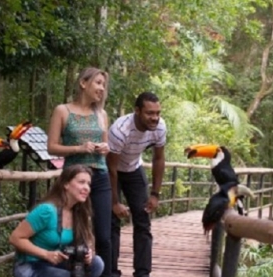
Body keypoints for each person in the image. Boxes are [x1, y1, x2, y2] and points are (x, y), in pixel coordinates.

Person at [47, 67, 113, 277]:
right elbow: (52, 147)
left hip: (100, 177)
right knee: (71, 234)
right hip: (73, 179)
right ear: (83, 83)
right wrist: (78, 148)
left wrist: (105, 148)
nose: (102, 89)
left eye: (104, 85)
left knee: (103, 236)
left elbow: (106, 144)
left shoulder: (101, 114)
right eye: (98, 83)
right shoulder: (62, 111)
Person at [107, 92, 166, 277]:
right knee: (111, 222)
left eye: (157, 113)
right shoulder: (120, 130)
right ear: (137, 111)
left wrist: (155, 194)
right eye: (150, 113)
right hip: (112, 171)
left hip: (134, 169)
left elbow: (159, 159)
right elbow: (111, 168)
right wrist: (114, 202)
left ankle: (142, 272)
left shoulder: (160, 127)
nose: (154, 118)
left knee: (143, 221)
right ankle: (111, 272)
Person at [10, 164, 104, 277]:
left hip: (56, 263)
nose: (86, 188)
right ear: (66, 184)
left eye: (88, 184)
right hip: (31, 264)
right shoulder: (47, 210)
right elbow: (15, 238)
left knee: (97, 263)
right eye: (81, 182)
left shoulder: (78, 212)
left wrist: (88, 253)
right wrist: (46, 254)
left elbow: (89, 240)